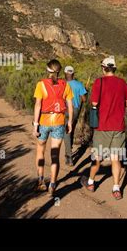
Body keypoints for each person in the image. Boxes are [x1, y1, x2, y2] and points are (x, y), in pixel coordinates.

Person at [82, 56, 127, 200]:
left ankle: (91, 182)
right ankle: (116, 188)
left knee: (97, 157)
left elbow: (94, 102)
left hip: (102, 126)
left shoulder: (99, 82)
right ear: (114, 68)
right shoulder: (122, 83)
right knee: (116, 158)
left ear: (104, 68)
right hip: (118, 126)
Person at [33, 59, 74, 196]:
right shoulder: (65, 85)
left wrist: (35, 124)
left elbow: (38, 105)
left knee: (40, 151)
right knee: (55, 155)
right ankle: (52, 184)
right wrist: (70, 122)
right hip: (59, 122)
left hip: (44, 121)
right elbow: (69, 105)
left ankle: (41, 182)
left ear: (48, 70)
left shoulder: (41, 84)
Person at [63, 66, 87, 166]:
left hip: (64, 110)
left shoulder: (62, 84)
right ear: (73, 74)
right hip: (76, 110)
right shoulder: (79, 84)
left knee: (66, 132)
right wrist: (85, 91)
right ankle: (69, 149)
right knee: (70, 129)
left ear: (65, 74)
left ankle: (68, 156)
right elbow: (84, 99)